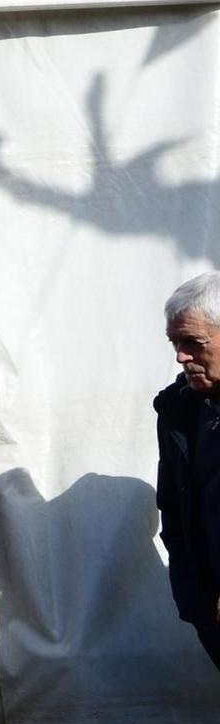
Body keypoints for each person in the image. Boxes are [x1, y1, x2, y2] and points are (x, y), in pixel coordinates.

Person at [157, 271, 220, 672]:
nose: (181, 356)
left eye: (193, 343)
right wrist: (194, 595)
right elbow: (174, 508)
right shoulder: (178, 409)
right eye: (175, 343)